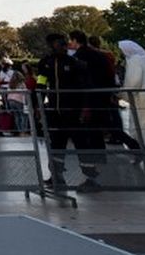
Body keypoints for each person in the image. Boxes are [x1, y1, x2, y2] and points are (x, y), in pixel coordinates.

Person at [37, 33, 102, 193]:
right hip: (55, 111)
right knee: (56, 145)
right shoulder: (46, 63)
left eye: (60, 44)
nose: (58, 47)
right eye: (54, 44)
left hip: (73, 111)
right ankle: (56, 176)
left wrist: (85, 108)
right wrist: (37, 104)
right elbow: (41, 83)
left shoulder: (76, 64)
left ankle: (91, 178)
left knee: (81, 144)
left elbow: (86, 87)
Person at [70, 31, 139, 152]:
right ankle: (133, 146)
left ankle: (100, 154)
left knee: (93, 127)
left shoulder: (78, 57)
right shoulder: (100, 55)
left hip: (89, 96)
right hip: (102, 94)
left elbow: (79, 78)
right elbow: (109, 74)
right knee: (106, 124)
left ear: (75, 40)